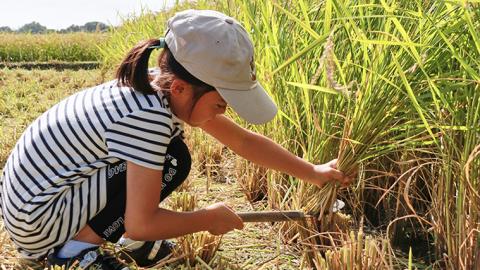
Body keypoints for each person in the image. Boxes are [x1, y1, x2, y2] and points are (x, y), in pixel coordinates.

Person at [0, 9, 352, 270]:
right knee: (172, 160)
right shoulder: (147, 117)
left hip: (35, 206)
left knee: (174, 158)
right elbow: (142, 219)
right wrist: (205, 218)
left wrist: (314, 172)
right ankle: (72, 253)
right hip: (39, 220)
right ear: (183, 88)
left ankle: (124, 244)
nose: (223, 114)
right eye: (219, 104)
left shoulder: (159, 88)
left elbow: (243, 143)